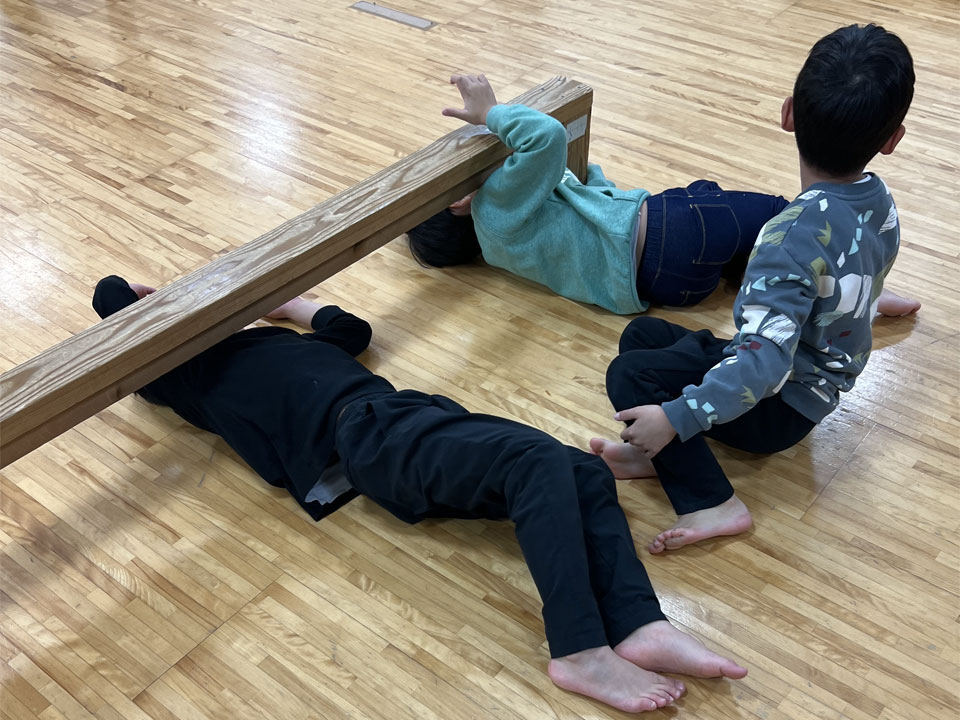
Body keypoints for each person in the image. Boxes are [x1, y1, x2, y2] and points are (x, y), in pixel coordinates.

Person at [92, 275, 748, 714]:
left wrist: (292, 307)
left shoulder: (264, 338)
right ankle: (578, 650)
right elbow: (114, 303)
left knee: (579, 470)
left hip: (400, 418)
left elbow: (351, 331)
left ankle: (637, 623)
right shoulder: (190, 375)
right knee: (533, 460)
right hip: (365, 437)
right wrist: (149, 302)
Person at [589, 23, 917, 553]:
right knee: (642, 337)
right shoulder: (878, 200)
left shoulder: (787, 239)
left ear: (788, 114)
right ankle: (663, 457)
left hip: (784, 404)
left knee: (628, 374)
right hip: (812, 376)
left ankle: (713, 502)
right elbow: (854, 274)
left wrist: (677, 416)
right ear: (891, 140)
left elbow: (763, 364)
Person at [407, 74, 920, 317]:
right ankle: (864, 289)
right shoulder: (494, 209)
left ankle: (794, 286)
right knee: (781, 216)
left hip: (662, 282)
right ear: (459, 203)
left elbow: (581, 189)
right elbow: (547, 138)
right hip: (669, 237)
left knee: (719, 213)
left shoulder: (503, 243)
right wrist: (491, 113)